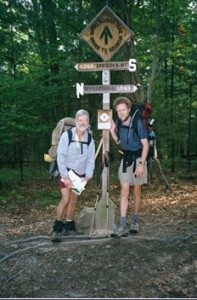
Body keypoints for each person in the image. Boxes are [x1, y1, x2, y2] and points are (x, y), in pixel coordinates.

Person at [51, 109, 95, 242]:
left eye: (85, 121)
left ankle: (69, 225)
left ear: (88, 123)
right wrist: (65, 176)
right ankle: (58, 228)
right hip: (66, 172)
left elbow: (90, 159)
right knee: (65, 199)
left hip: (80, 175)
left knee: (74, 199)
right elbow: (61, 157)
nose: (83, 123)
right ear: (76, 121)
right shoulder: (67, 136)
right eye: (80, 120)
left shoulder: (89, 139)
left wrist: (88, 176)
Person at [110, 97, 149, 237]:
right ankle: (122, 225)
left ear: (128, 109)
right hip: (126, 160)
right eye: (118, 111)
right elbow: (119, 141)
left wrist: (141, 164)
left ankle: (135, 221)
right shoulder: (118, 123)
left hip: (138, 159)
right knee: (124, 191)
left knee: (137, 191)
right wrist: (111, 131)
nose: (121, 113)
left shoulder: (137, 122)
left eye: (123, 110)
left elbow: (145, 144)